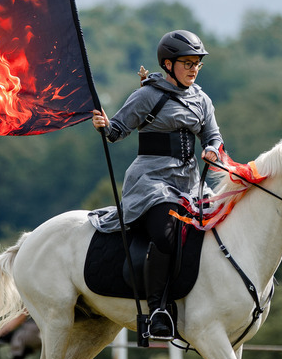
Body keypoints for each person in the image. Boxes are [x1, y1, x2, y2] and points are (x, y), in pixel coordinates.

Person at [90, 30, 223, 340]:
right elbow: (117, 130)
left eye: (197, 64)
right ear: (167, 64)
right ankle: (158, 310)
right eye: (187, 63)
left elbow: (213, 135)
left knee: (220, 223)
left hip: (190, 182)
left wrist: (212, 149)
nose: (194, 69)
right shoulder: (147, 96)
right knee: (166, 233)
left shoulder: (202, 99)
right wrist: (104, 125)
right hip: (152, 181)